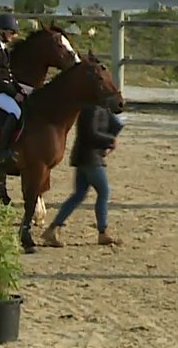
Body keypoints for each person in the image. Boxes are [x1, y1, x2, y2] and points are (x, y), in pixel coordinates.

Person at [40, 103, 125, 248]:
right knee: (104, 191)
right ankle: (103, 232)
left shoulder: (100, 107)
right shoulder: (91, 108)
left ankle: (53, 228)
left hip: (87, 157)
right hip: (90, 158)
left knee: (78, 195)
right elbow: (90, 133)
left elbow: (113, 123)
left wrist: (110, 139)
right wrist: (110, 141)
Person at [0, 12, 26, 171]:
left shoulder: (2, 49)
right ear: (1, 31)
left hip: (3, 88)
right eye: (11, 32)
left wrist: (19, 88)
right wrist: (13, 93)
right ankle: (2, 150)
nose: (14, 35)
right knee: (15, 111)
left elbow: (7, 74)